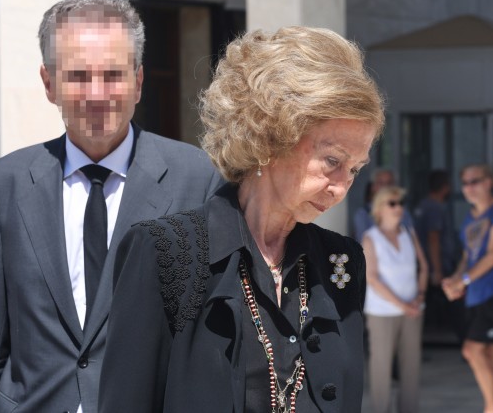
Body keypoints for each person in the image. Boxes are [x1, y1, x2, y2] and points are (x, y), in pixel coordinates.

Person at [0, 0, 221, 413]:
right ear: (49, 83)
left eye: (113, 74)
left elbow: (210, 335)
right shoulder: (5, 184)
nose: (97, 95)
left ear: (139, 80)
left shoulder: (196, 178)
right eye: (78, 76)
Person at [98, 26, 385, 412]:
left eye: (354, 169)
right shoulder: (166, 253)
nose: (340, 187)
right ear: (270, 138)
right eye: (332, 161)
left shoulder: (342, 261)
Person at [443, 164, 493, 413]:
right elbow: (468, 256)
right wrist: (454, 279)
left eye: (475, 181)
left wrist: (463, 281)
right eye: (464, 183)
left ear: (488, 182)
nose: (468, 188)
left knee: (471, 350)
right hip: (475, 295)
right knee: (491, 354)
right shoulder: (471, 217)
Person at [362, 186, 428, 413]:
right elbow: (372, 278)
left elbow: (424, 267)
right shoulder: (370, 238)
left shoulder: (409, 232)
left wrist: (419, 297)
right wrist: (403, 305)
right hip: (382, 313)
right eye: (392, 203)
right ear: (379, 209)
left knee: (411, 367)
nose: (398, 208)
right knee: (381, 367)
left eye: (400, 203)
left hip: (412, 310)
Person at [414, 170, 465, 341]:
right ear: (445, 187)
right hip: (436, 265)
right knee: (455, 302)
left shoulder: (424, 205)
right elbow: (433, 239)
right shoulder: (435, 208)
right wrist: (437, 270)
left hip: (426, 265)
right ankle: (464, 340)